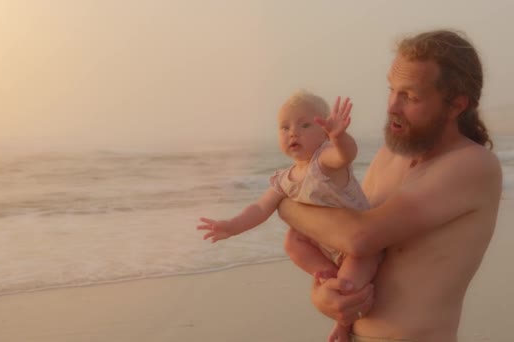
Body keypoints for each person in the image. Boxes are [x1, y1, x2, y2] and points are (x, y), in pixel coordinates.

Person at [278, 29, 502, 341]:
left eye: (409, 96)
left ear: (456, 106)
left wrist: (283, 202)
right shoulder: (389, 156)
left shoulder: (472, 165)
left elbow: (359, 236)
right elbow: (345, 248)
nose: (392, 106)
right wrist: (325, 297)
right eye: (391, 90)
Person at [197, 90, 381, 341]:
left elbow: (345, 155)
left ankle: (343, 322)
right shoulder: (285, 178)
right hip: (327, 246)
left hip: (358, 245)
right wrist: (232, 226)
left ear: (325, 133)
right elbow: (260, 208)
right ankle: (327, 274)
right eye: (285, 127)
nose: (293, 132)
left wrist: (340, 136)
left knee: (348, 286)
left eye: (305, 125)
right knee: (292, 241)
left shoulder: (324, 160)